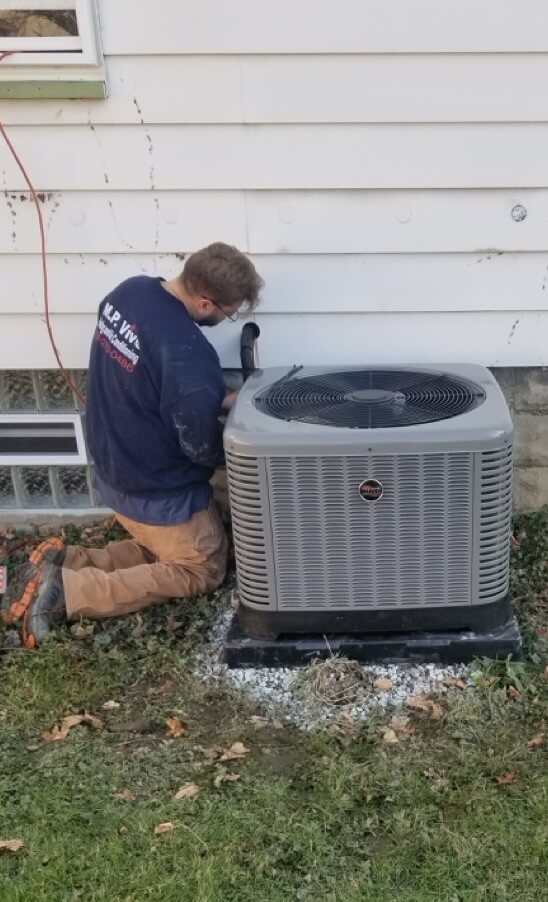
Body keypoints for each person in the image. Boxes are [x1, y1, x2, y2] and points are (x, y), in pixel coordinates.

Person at [1, 242, 263, 647]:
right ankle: (67, 594)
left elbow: (156, 380)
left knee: (169, 553)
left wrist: (214, 397)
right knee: (202, 566)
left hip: (112, 467)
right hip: (156, 491)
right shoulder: (189, 356)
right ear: (206, 302)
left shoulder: (130, 293)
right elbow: (201, 447)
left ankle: (64, 563)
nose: (227, 318)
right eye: (229, 311)